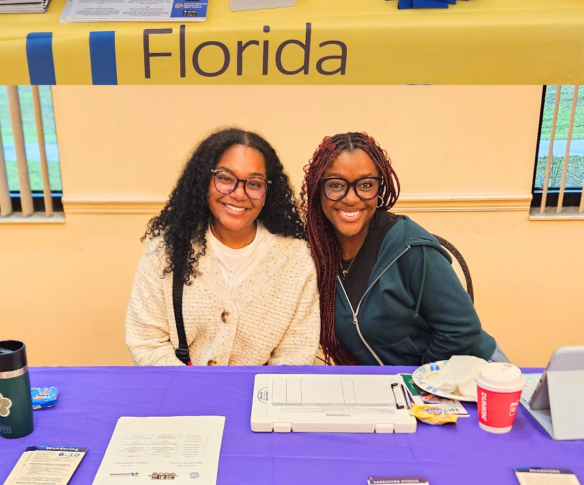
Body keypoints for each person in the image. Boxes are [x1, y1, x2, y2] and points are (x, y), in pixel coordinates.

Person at [301, 132, 504, 366]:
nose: (351, 198)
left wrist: (417, 384)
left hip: (469, 375)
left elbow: (461, 330)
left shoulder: (408, 245)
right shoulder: (318, 253)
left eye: (366, 185)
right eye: (336, 185)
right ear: (318, 189)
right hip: (400, 387)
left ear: (380, 188)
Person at [126, 128, 319, 366]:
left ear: (268, 192)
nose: (239, 193)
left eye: (254, 183)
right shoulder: (165, 249)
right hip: (181, 395)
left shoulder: (296, 258)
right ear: (204, 182)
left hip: (259, 398)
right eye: (226, 178)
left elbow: (297, 352)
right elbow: (147, 341)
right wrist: (195, 394)